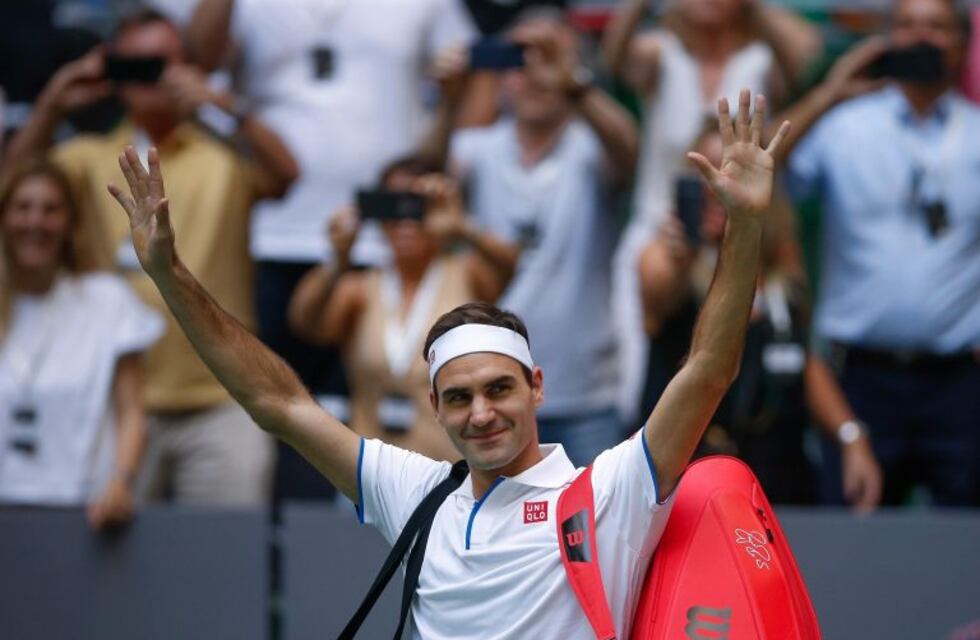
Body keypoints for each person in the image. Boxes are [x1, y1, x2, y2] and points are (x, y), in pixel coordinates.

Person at [107, 87, 790, 636]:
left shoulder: (609, 491)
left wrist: (744, 224)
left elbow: (708, 369)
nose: (482, 413)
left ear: (536, 387)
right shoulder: (417, 491)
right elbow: (277, 403)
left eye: (499, 389)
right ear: (435, 407)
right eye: (459, 397)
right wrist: (169, 274)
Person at [1, 9, 298, 506]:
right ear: (114, 73)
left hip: (222, 398)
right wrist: (52, 103)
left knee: (227, 549)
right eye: (135, 65)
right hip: (116, 401)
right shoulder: (87, 157)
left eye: (161, 63)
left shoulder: (224, 157)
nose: (151, 77)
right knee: (109, 554)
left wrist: (222, 104)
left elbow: (287, 176)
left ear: (188, 67)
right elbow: (11, 190)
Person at [774, 0, 980, 507]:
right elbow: (759, 165)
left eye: (936, 26)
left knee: (965, 543)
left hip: (958, 382)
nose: (920, 37)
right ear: (887, 39)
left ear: (962, 44)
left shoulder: (976, 132)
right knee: (855, 537)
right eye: (907, 25)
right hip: (859, 380)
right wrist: (830, 93)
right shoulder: (845, 126)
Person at [638, 125, 882, 510]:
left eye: (734, 169)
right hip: (690, 486)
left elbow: (802, 358)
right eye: (710, 169)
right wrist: (683, 255)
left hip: (777, 479)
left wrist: (851, 435)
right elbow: (658, 292)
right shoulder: (670, 256)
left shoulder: (781, 270)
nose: (720, 183)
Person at [603, 0, 822, 427]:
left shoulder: (759, 58)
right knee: (642, 374)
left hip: (745, 226)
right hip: (665, 232)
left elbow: (807, 61)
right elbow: (613, 61)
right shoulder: (661, 52)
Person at [448, 11, 640, 466]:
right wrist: (449, 97)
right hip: (492, 393)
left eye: (548, 57)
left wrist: (572, 83)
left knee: (595, 514)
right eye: (520, 61)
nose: (534, 75)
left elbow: (630, 149)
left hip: (585, 393)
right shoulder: (477, 148)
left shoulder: (592, 147)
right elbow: (424, 174)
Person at [287, 159, 518, 461]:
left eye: (419, 206)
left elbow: (510, 264)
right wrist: (338, 259)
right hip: (373, 469)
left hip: (449, 467)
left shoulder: (466, 275)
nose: (406, 220)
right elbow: (304, 321)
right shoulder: (362, 288)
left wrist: (461, 226)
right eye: (393, 206)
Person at [0, 162, 163, 529]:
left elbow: (132, 411)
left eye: (50, 209)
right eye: (23, 208)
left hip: (85, 514)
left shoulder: (107, 301)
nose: (35, 221)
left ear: (71, 222)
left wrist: (121, 482)